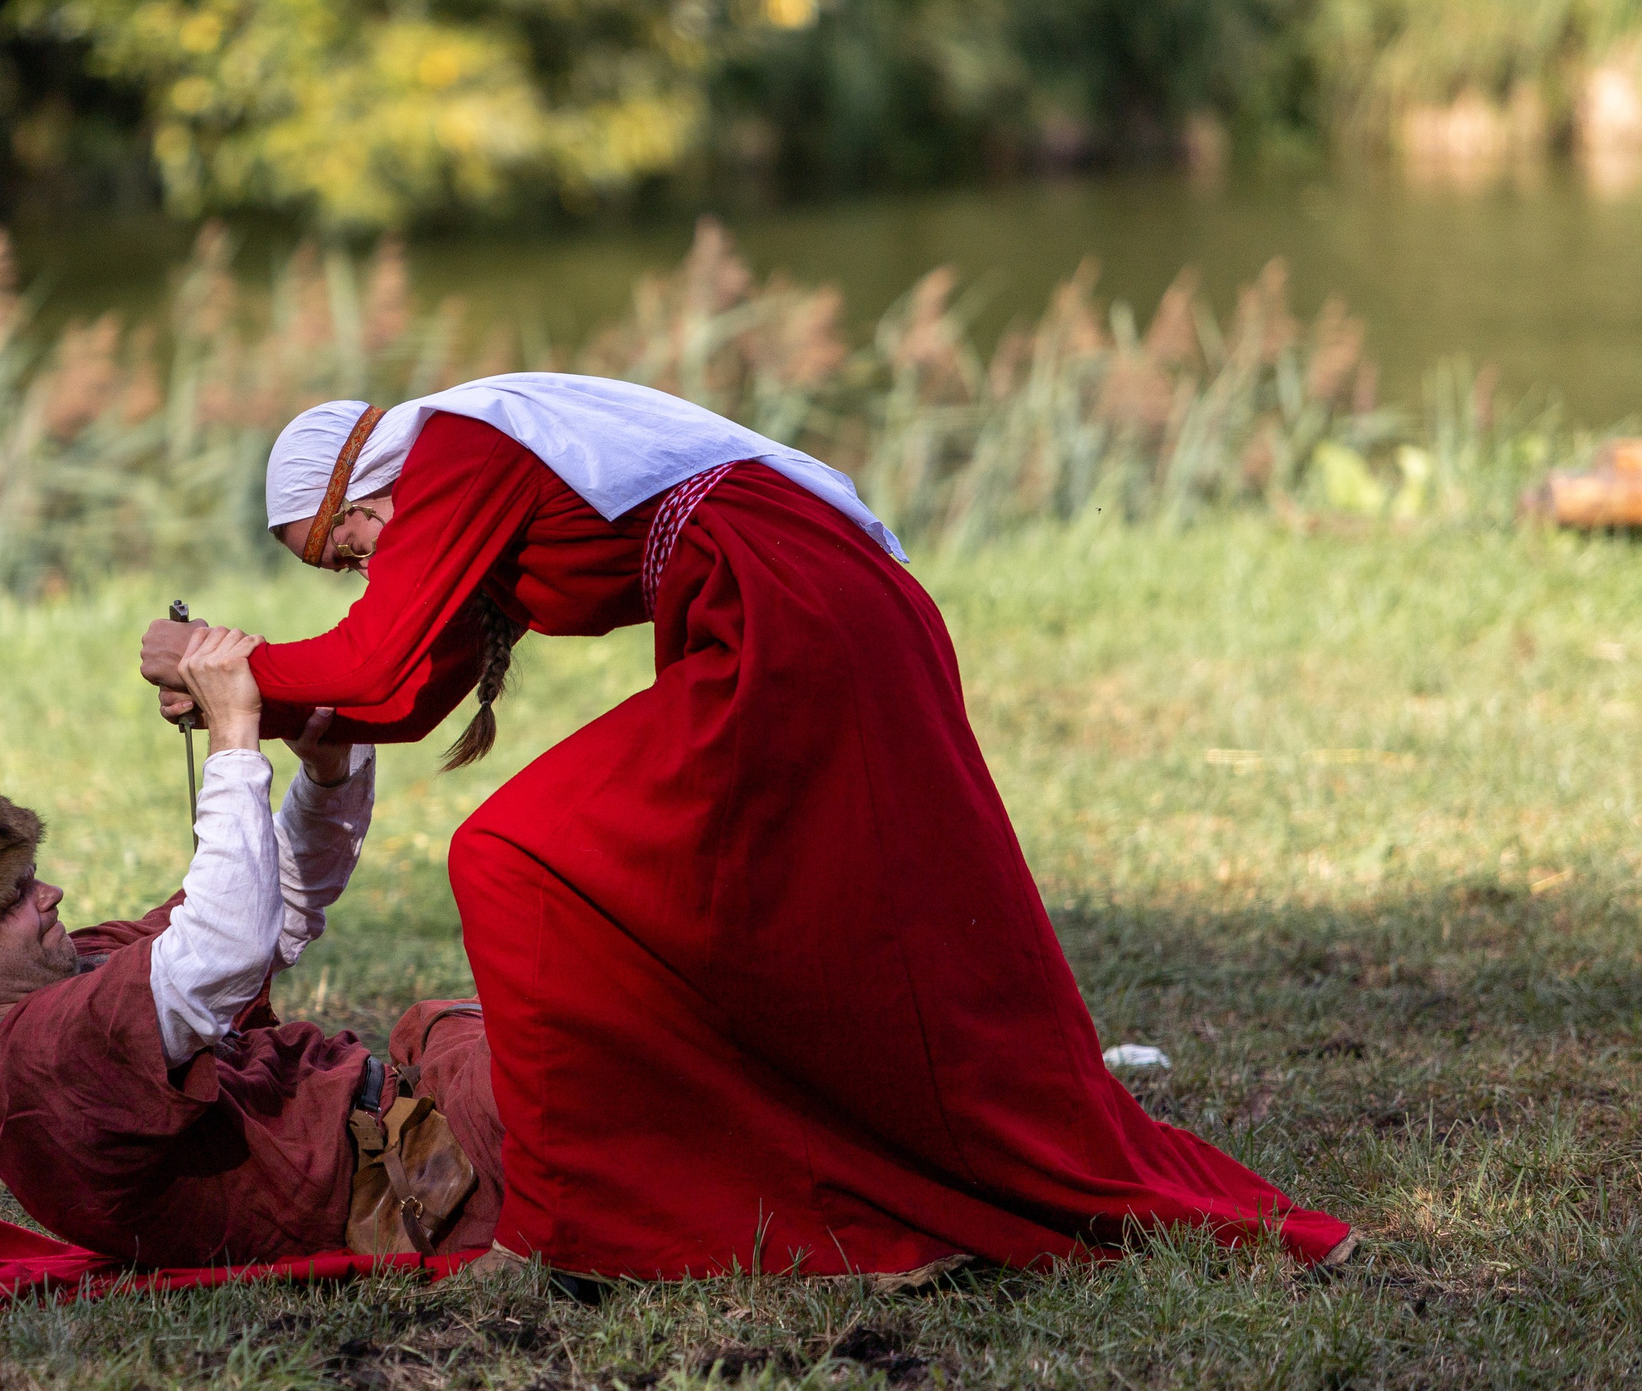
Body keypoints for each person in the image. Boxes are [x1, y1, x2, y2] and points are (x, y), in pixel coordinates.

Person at [138, 372, 1351, 1280]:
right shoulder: (463, 471)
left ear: (361, 481)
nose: (354, 564)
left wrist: (216, 666)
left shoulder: (454, 447)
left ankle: (568, 1229)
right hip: (794, 606)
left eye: (338, 543)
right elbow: (399, 693)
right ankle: (771, 1165)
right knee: (772, 915)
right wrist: (266, 700)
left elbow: (374, 656)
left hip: (791, 611)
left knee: (509, 855)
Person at [0, 627, 502, 1268]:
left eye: (31, 877)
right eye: (14, 898)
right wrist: (232, 735)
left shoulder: (64, 981)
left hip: (424, 1104)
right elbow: (228, 943)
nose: (52, 894)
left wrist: (327, 777)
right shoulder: (44, 1057)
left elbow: (266, 912)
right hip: (434, 1171)